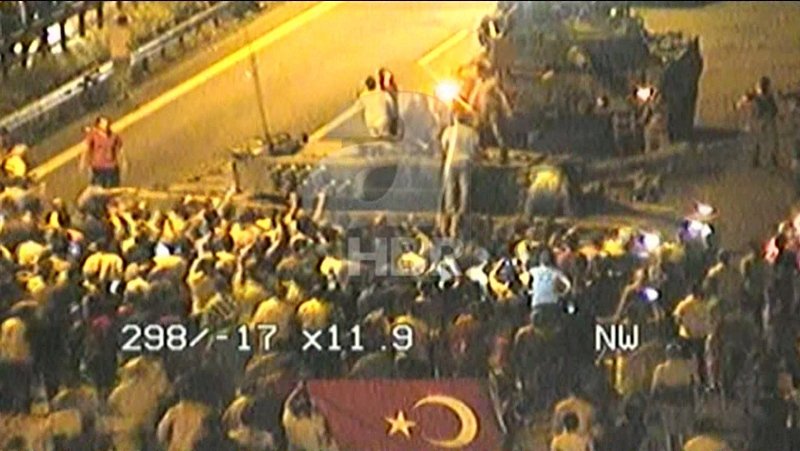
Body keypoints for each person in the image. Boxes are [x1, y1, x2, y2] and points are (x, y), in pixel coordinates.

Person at [439, 113, 480, 237]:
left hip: (451, 161)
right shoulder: (472, 133)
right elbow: (476, 149)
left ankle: (450, 211)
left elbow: (444, 146)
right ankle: (461, 213)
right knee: (464, 188)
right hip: (465, 162)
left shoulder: (449, 131)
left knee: (450, 187)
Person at [468, 64, 513, 163]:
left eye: (479, 72)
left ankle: (503, 150)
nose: (478, 75)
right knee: (478, 130)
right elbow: (475, 94)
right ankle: (481, 151)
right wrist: (471, 103)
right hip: (482, 110)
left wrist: (506, 108)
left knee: (496, 130)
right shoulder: (479, 83)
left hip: (493, 110)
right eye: (477, 73)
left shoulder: (492, 82)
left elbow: (500, 95)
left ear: (484, 72)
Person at [80, 116, 127, 188]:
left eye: (107, 123)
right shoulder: (93, 135)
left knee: (113, 189)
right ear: (98, 125)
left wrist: (124, 161)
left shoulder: (114, 136)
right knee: (98, 189)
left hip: (112, 168)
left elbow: (120, 148)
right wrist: (82, 162)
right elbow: (85, 148)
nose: (106, 125)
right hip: (98, 168)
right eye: (104, 124)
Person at [749, 76, 780, 168]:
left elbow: (755, 112)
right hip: (766, 121)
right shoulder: (766, 98)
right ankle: (769, 160)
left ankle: (757, 160)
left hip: (762, 121)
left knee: (760, 141)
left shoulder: (759, 98)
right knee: (770, 141)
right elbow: (774, 109)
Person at [528, 249, 572, 313]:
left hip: (537, 304)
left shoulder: (533, 271)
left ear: (540, 261)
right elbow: (568, 285)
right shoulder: (556, 272)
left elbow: (529, 286)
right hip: (552, 304)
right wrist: (562, 294)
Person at [108, 14, 133, 103]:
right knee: (126, 75)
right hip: (124, 55)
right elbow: (128, 44)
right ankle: (125, 93)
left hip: (115, 56)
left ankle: (119, 94)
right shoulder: (126, 31)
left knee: (118, 75)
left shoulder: (112, 31)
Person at [377, 68, 400, 136]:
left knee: (391, 116)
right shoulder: (389, 87)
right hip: (389, 102)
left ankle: (392, 130)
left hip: (390, 103)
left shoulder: (390, 87)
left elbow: (387, 88)